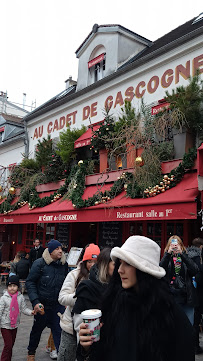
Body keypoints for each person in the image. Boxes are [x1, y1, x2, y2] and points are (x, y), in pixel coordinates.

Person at [79, 236, 195, 361]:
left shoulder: (168, 313)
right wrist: (87, 347)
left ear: (143, 270)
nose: (120, 270)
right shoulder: (113, 305)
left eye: (128, 264)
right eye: (120, 263)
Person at [26, 239, 68, 361]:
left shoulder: (64, 264)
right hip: (42, 306)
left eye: (61, 248)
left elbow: (66, 283)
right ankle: (31, 353)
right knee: (36, 331)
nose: (60, 251)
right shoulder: (39, 263)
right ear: (50, 251)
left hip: (57, 306)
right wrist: (35, 301)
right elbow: (30, 282)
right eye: (57, 249)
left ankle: (62, 356)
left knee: (60, 333)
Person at [57, 243, 100, 361]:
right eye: (89, 261)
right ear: (84, 261)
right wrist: (80, 297)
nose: (92, 265)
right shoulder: (74, 275)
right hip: (70, 326)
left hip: (90, 327)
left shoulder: (102, 278)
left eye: (95, 262)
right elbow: (62, 298)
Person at [160, 235, 198, 325]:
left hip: (186, 297)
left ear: (181, 245)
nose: (175, 247)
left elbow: (195, 270)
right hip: (171, 297)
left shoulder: (187, 256)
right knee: (172, 327)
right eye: (172, 245)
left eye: (177, 244)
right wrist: (168, 253)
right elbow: (160, 271)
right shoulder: (166, 258)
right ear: (169, 246)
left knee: (188, 326)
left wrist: (182, 255)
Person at [0, 275, 34, 361]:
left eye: (14, 286)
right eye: (10, 286)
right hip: (5, 325)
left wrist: (31, 312)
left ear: (18, 287)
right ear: (7, 287)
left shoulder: (20, 297)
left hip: (15, 324)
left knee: (11, 345)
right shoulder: (4, 298)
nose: (12, 288)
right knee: (8, 345)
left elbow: (24, 308)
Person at [187, 237, 203, 354]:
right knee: (195, 322)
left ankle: (193, 346)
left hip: (190, 293)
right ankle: (195, 346)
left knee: (193, 322)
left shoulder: (186, 256)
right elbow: (199, 277)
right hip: (197, 294)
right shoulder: (198, 258)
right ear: (201, 247)